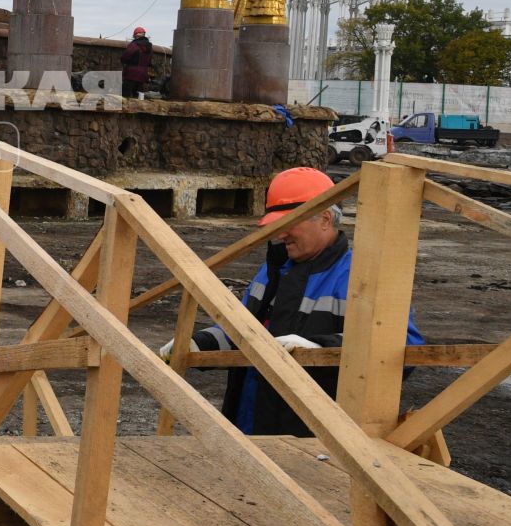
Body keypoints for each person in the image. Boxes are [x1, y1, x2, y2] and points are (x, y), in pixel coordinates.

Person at [164, 166, 421, 436]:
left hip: (318, 441)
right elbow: (243, 330)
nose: (280, 234)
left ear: (324, 219)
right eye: (276, 225)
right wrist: (196, 343)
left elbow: (401, 350)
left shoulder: (362, 278)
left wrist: (319, 349)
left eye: (289, 224)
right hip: (251, 425)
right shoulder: (273, 270)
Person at [121, 28, 153, 98]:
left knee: (125, 95)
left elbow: (125, 57)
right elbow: (150, 62)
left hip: (131, 74)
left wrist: (124, 61)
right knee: (138, 96)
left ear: (135, 35)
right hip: (143, 75)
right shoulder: (150, 47)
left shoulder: (134, 45)